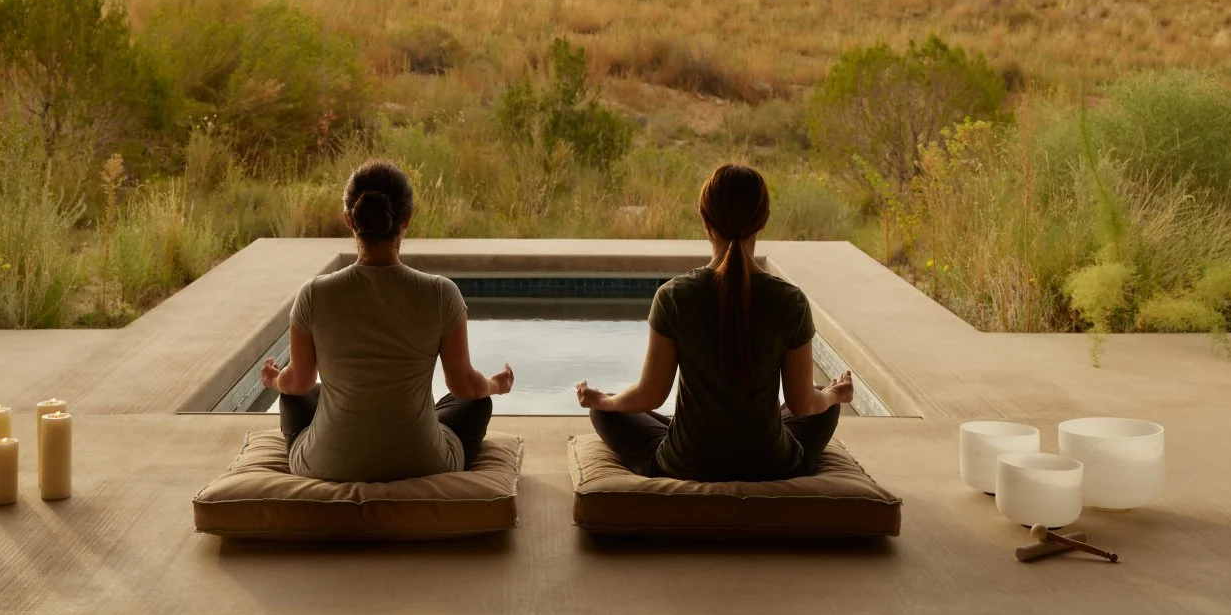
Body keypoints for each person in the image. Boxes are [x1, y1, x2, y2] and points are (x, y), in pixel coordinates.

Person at [576, 163, 853, 481]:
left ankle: (689, 431)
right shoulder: (791, 301)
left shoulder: (675, 296)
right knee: (822, 399)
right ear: (762, 221)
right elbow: (802, 405)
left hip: (687, 463)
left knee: (605, 411)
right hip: (771, 465)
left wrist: (605, 401)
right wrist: (836, 395)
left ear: (705, 220)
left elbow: (650, 396)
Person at [260, 160, 514, 482]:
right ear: (406, 220)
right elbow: (463, 384)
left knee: (295, 396)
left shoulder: (313, 293)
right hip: (424, 461)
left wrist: (274, 380)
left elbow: (299, 382)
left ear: (349, 220)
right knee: (476, 403)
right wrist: (496, 385)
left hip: (328, 464)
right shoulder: (441, 293)